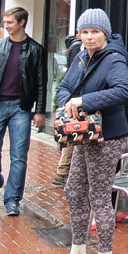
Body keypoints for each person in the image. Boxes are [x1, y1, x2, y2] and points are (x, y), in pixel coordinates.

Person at [44, 8, 128, 254]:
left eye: (95, 31)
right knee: (73, 190)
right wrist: (68, 101)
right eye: (84, 31)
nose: (89, 36)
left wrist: (84, 101)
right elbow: (64, 87)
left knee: (99, 197)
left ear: (105, 33)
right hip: (85, 135)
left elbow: (125, 91)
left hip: (107, 137)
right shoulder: (82, 56)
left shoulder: (114, 58)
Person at [0, 6, 47, 217]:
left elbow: (41, 82)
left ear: (22, 22)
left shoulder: (35, 49)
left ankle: (13, 200)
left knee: (19, 156)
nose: (6, 26)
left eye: (10, 22)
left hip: (21, 108)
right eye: (5, 22)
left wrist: (39, 110)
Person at [53, 34, 83, 187]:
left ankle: (63, 173)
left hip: (73, 98)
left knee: (71, 138)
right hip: (76, 100)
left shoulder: (73, 47)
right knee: (72, 138)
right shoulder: (78, 47)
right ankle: (62, 173)